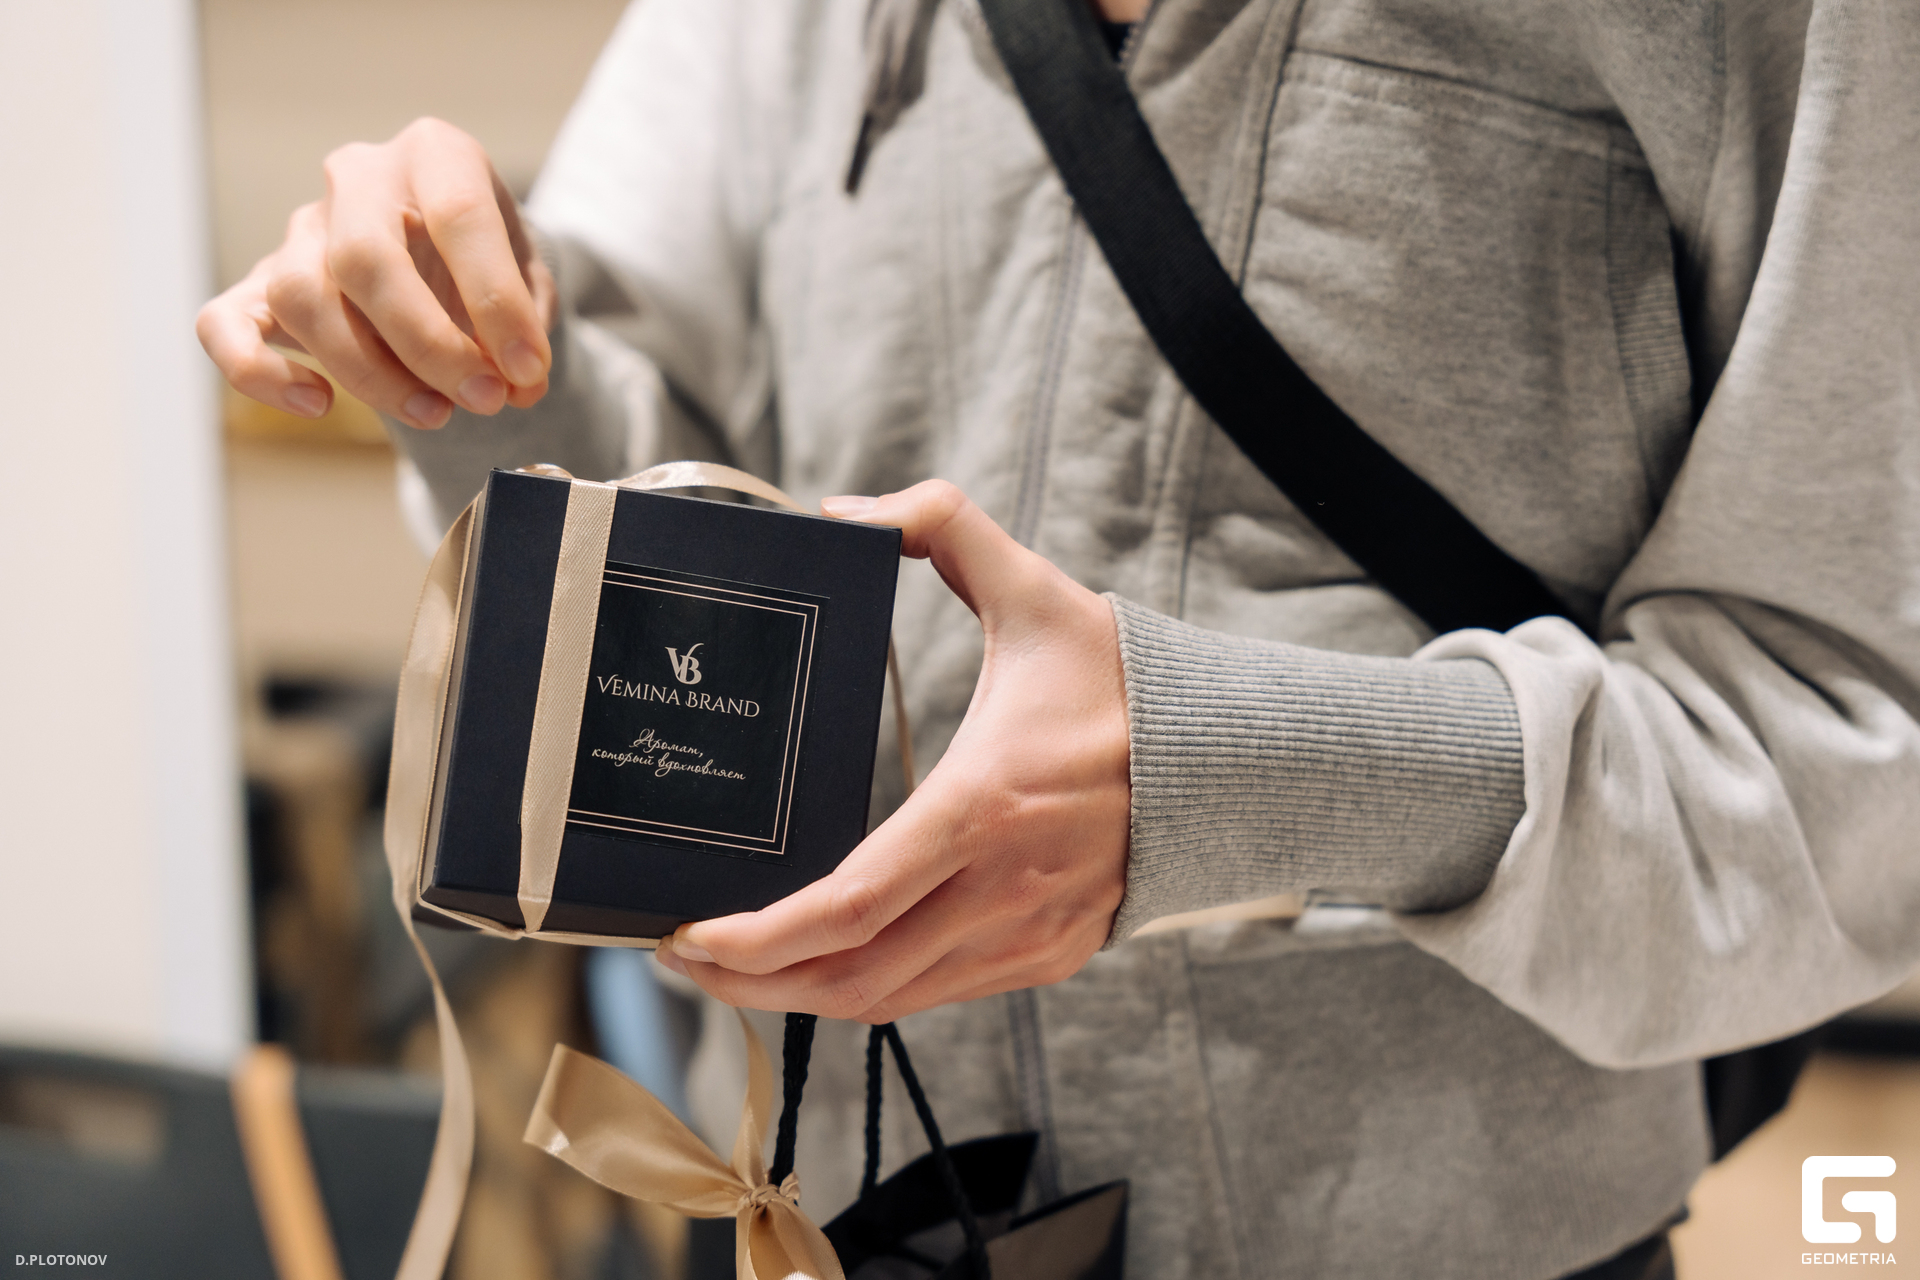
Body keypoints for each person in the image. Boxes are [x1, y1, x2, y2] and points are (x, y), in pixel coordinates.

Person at [198, 0, 1920, 1275]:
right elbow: (640, 475)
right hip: (837, 1221)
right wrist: (453, 355)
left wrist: (1226, 775)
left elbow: (1857, 732)